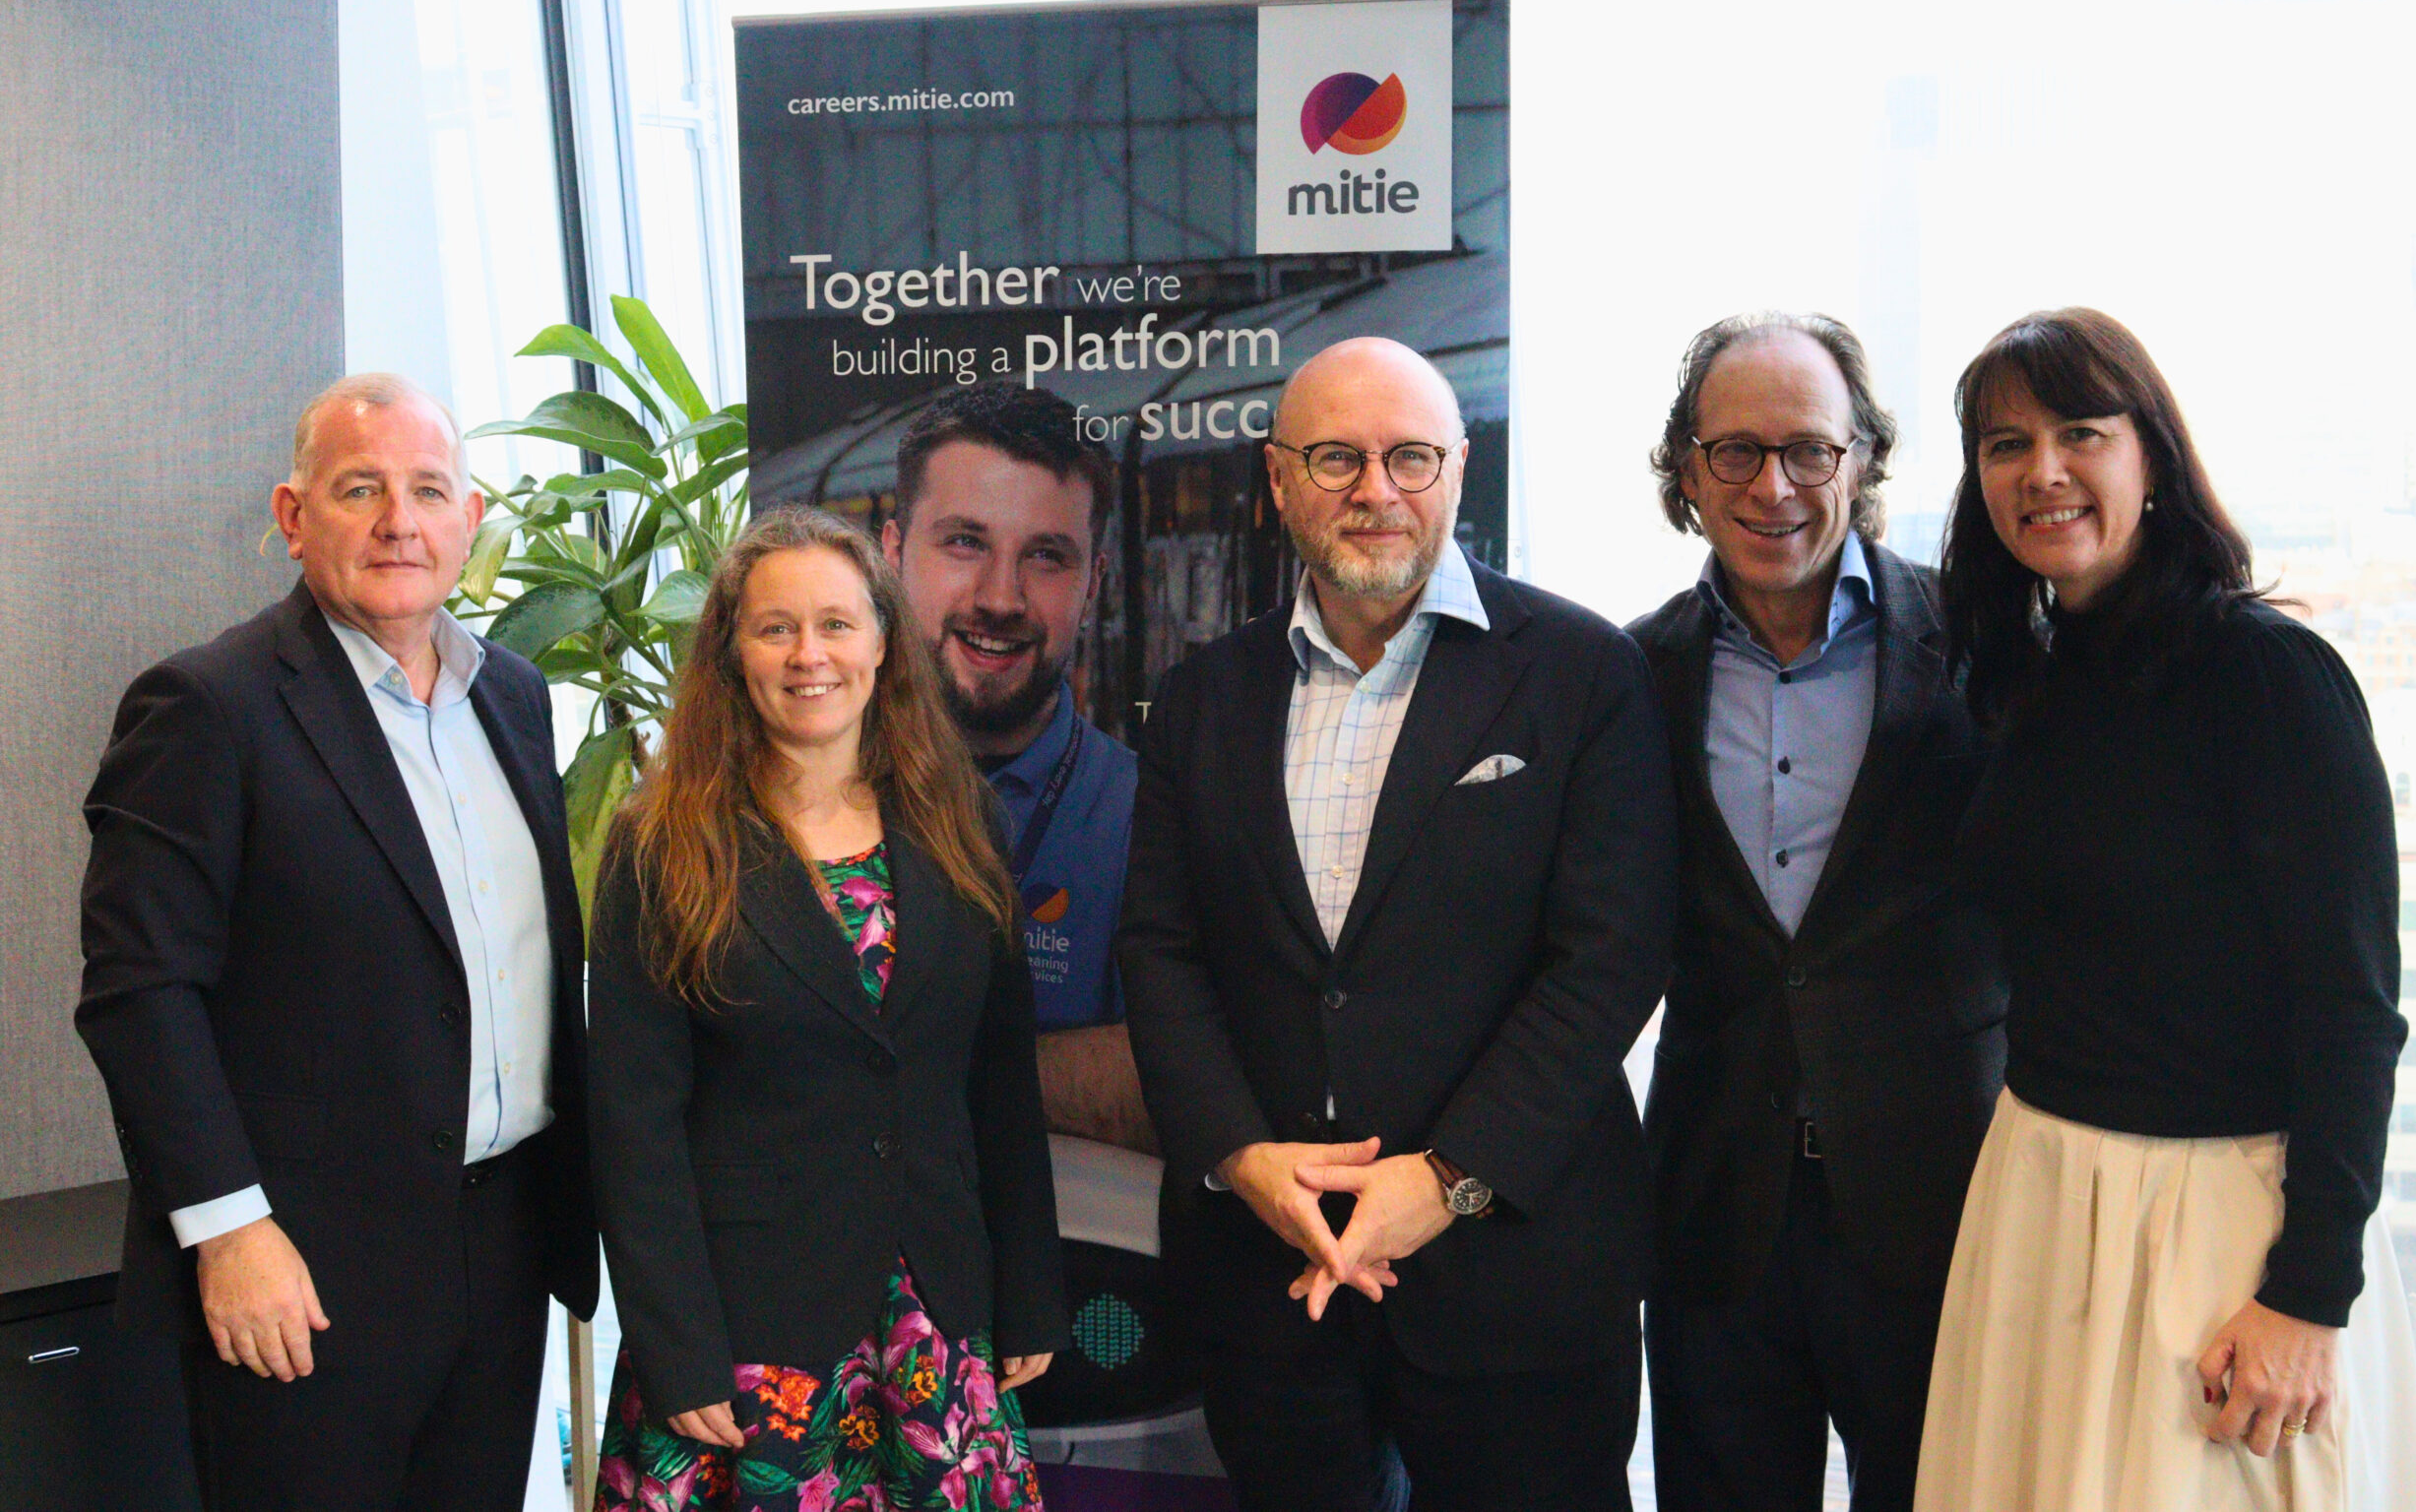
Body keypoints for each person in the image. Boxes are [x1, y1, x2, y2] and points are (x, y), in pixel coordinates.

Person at [1118, 336, 1681, 1511]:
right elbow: (1160, 953)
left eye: (1410, 457)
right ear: (1277, 481)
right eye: (1336, 459)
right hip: (1274, 1281)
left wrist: (1451, 1180)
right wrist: (1235, 1157)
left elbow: (1608, 961)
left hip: (1514, 1281)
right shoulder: (1201, 698)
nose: (1376, 491)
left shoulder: (1584, 672)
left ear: (1459, 469)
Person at [1914, 308, 2416, 1509]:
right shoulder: (2026, 674)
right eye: (2003, 443)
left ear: (2151, 456)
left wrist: (2308, 1294)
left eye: (2079, 431)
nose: (2040, 469)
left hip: (2218, 1227)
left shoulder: (2266, 675)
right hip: (2039, 1195)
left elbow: (2352, 1008)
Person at [76, 373, 599, 1511]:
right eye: (359, 488)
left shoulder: (512, 694)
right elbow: (139, 990)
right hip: (302, 1267)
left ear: (470, 518)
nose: (398, 521)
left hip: (501, 1242)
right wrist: (228, 1230)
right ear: (292, 514)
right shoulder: (208, 707)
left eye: (427, 490)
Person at [587, 506, 1065, 1512]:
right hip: (752, 1343)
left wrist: (1026, 1291)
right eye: (775, 628)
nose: (809, 655)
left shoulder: (958, 818)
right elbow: (635, 1126)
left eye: (838, 625)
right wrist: (679, 1349)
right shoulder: (662, 843)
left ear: (885, 643)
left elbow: (999, 1080)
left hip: (936, 1318)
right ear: (732, 652)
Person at [1627, 313, 2003, 1512]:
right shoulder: (1628, 676)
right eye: (1734, 451)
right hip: (1714, 1216)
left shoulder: (1988, 649)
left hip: (1941, 1204)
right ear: (1686, 470)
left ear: (1862, 461)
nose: (1773, 485)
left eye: (1809, 450)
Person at [881, 381, 1153, 1155]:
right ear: (893, 554)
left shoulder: (1151, 818)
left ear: (1094, 582)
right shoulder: (794, 799)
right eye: (964, 541)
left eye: (1045, 556)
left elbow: (1188, 1078)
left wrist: (903, 1070)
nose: (1000, 598)